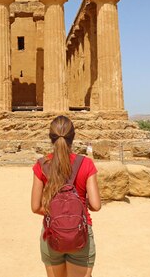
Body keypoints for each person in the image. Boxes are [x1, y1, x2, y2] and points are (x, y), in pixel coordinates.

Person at [31, 115, 101, 277]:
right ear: (73, 137)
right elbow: (96, 205)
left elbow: (35, 207)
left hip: (52, 233)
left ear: (51, 138)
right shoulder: (86, 164)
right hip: (80, 233)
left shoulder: (41, 165)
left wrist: (55, 212)